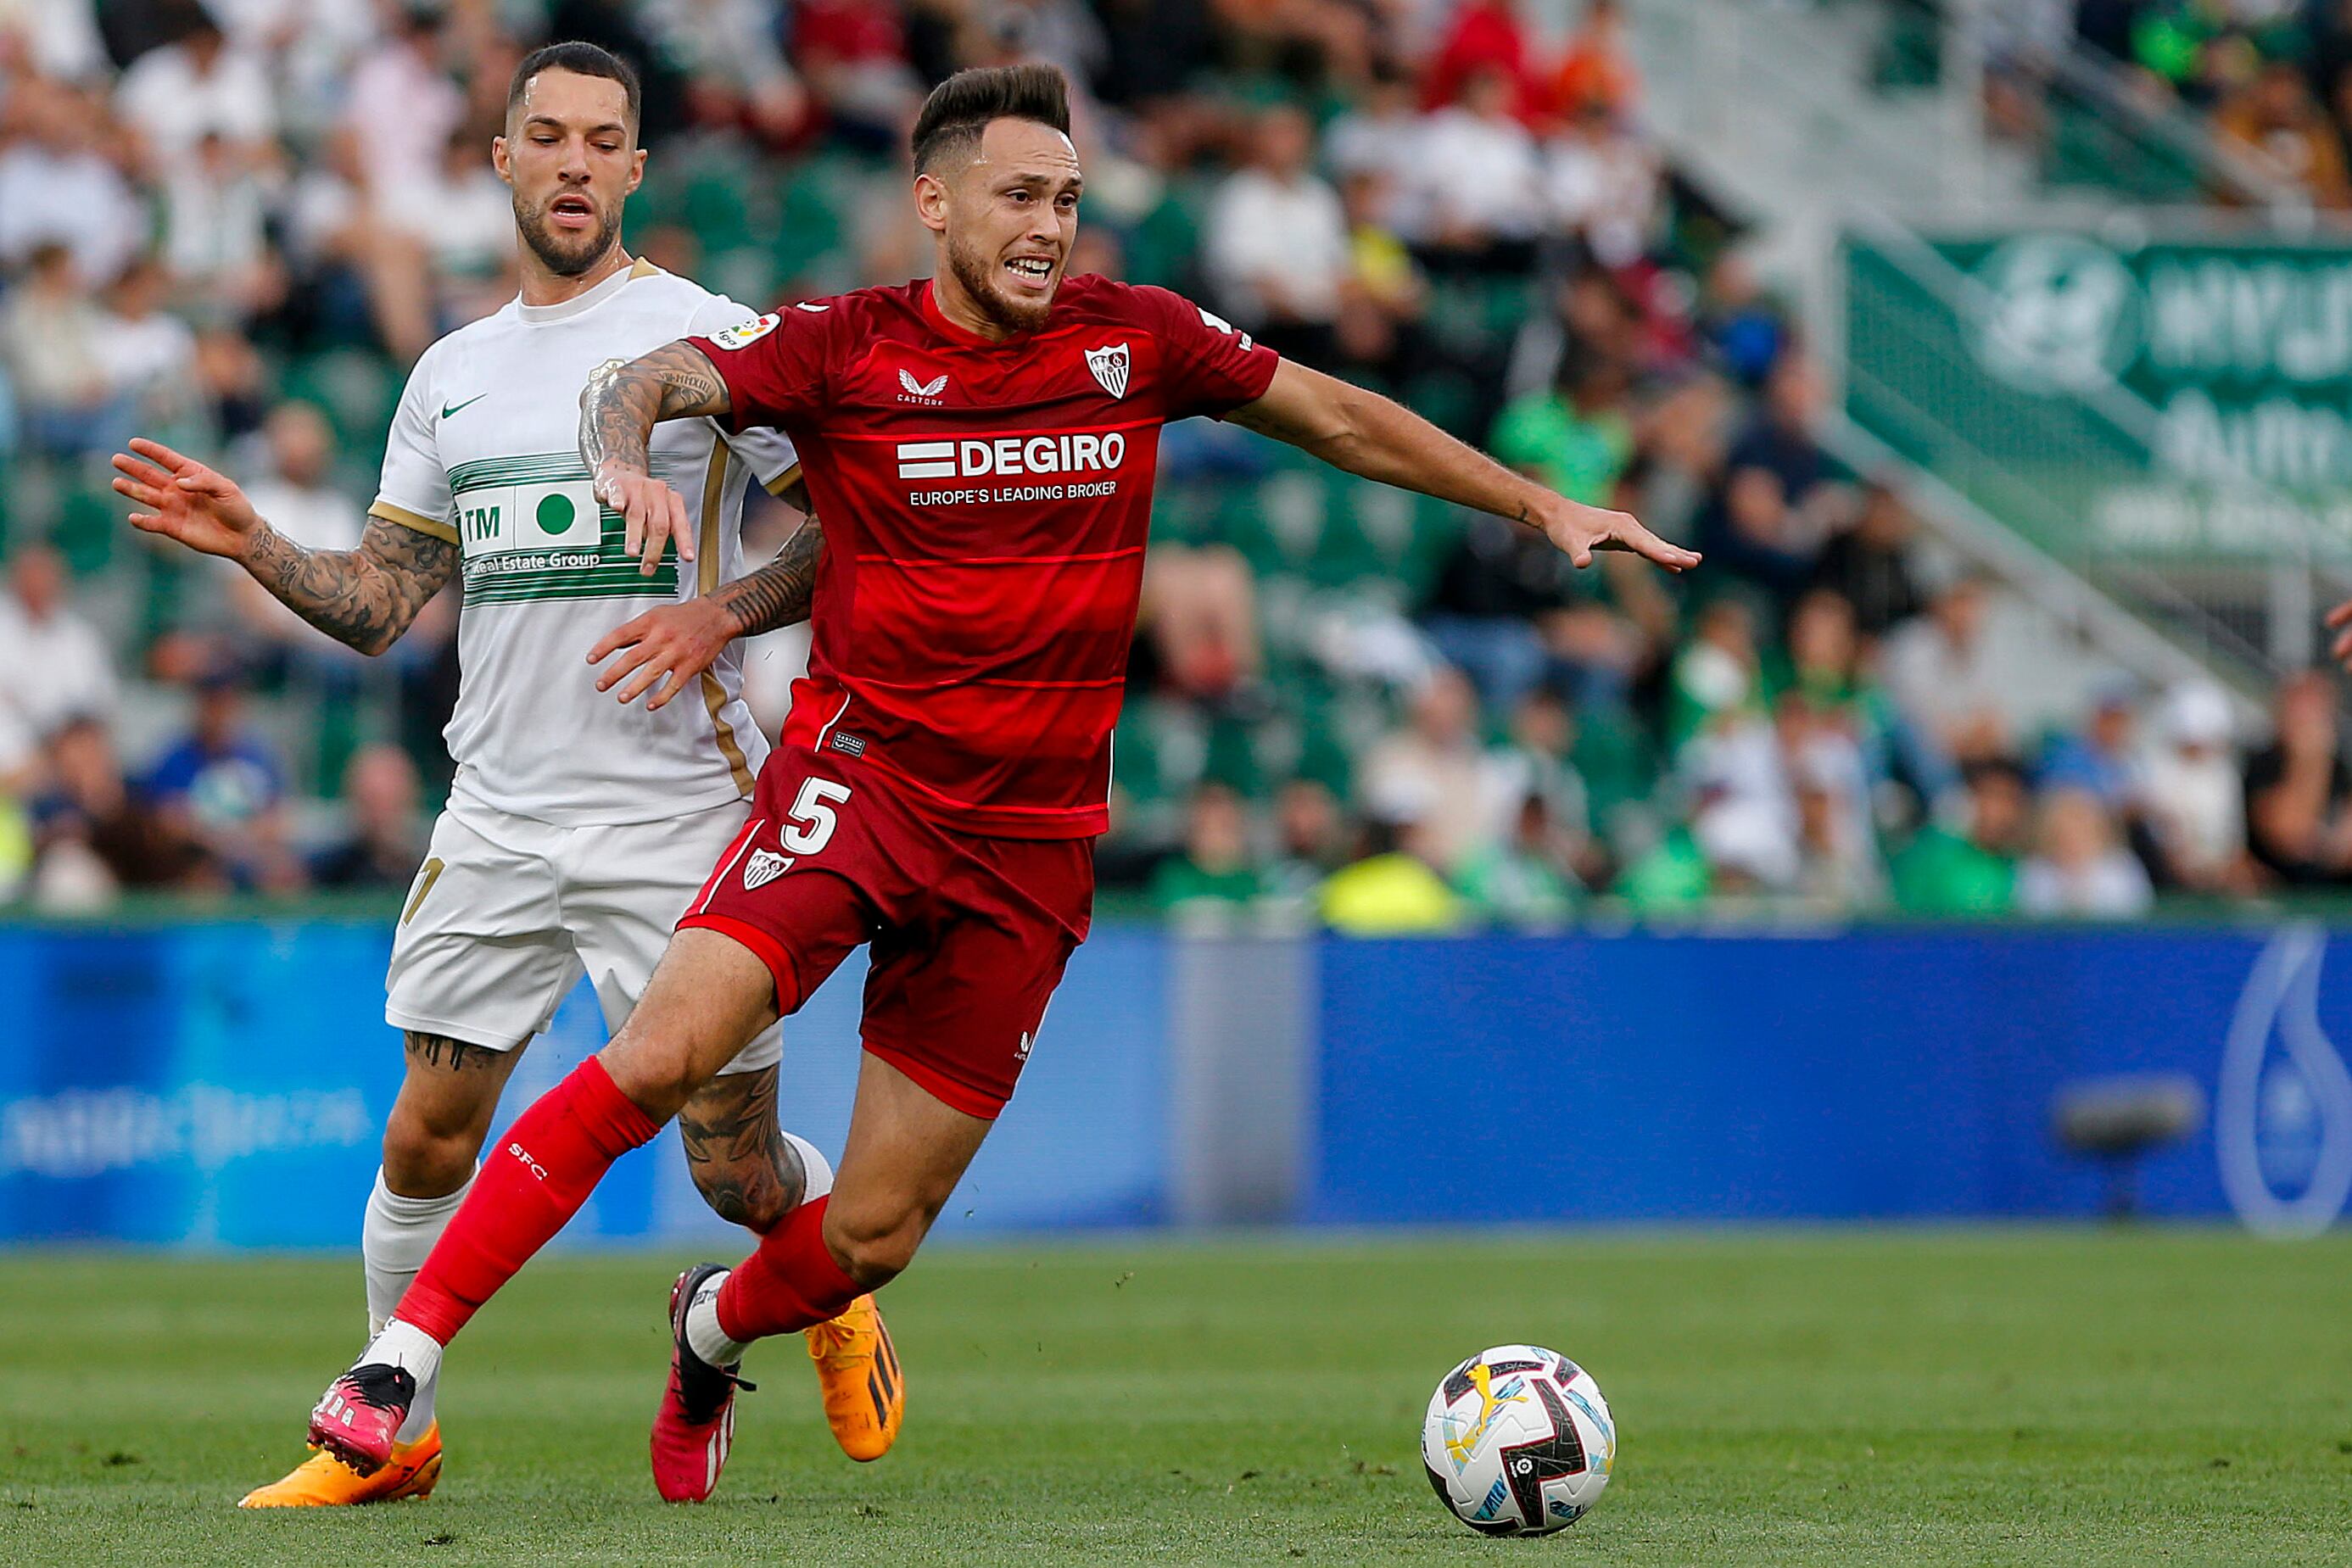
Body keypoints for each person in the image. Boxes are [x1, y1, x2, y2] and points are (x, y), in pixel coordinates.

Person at [300, 62, 1696, 1504]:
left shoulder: (1135, 340)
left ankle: (712, 1325)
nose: (1048, 227)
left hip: (1026, 845)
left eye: (1069, 201)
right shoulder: (844, 347)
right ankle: (395, 1367)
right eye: (1020, 196)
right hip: (856, 785)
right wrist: (619, 463)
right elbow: (648, 377)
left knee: (873, 1234)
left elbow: (1335, 415)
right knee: (656, 1055)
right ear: (934, 200)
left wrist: (1539, 501)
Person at [109, 42, 888, 1510]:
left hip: (678, 813)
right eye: (549, 136)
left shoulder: (711, 337)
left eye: (606, 139)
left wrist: (719, 611)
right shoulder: (450, 375)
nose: (577, 161)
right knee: (427, 1121)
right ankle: (394, 1433)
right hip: (499, 814)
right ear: (502, 159)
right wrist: (253, 539)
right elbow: (382, 600)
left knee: (732, 1173)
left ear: (639, 169)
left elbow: (849, 530)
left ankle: (829, 1283)